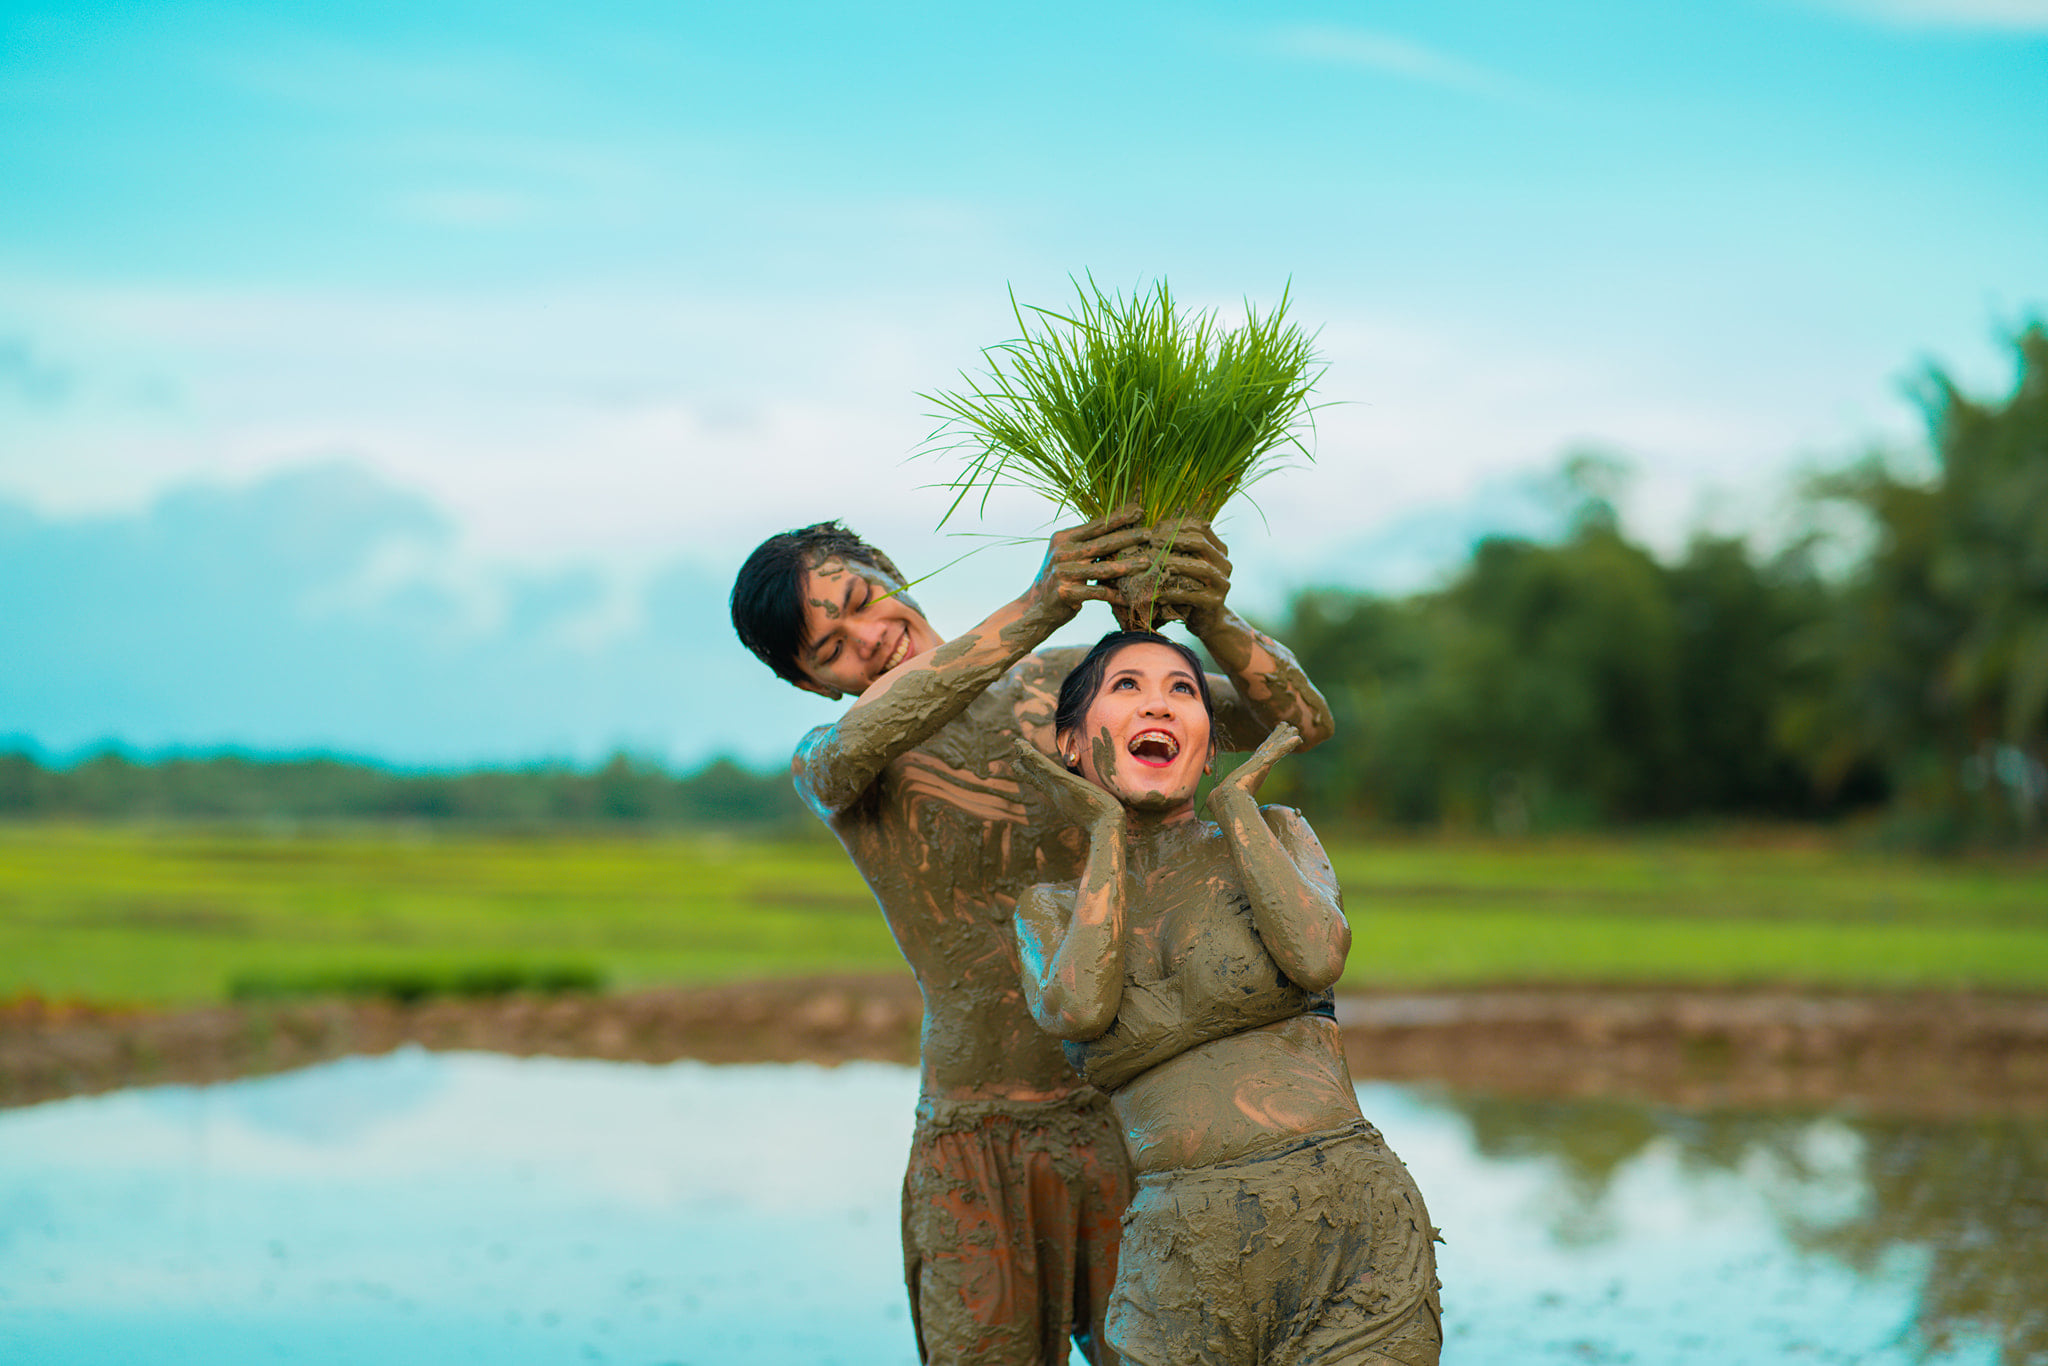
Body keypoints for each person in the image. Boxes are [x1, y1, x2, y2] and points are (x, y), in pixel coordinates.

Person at [729, 514, 1336, 1366]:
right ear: (809, 684)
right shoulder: (834, 758)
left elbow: (1298, 721)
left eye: (865, 600)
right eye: (830, 649)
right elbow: (848, 750)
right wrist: (1042, 602)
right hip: (976, 1134)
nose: (869, 638)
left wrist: (1211, 616)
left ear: (894, 572)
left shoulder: (1070, 691)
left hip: (1137, 1110)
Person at [1011, 629, 1443, 1366]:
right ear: (1072, 746)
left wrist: (1238, 807)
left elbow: (1316, 954)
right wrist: (1106, 830)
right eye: (1127, 687)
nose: (1161, 704)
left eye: (1184, 691)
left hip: (1350, 1228)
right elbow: (1078, 1008)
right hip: (1181, 1250)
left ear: (1210, 745)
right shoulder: (1048, 908)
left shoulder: (1277, 831)